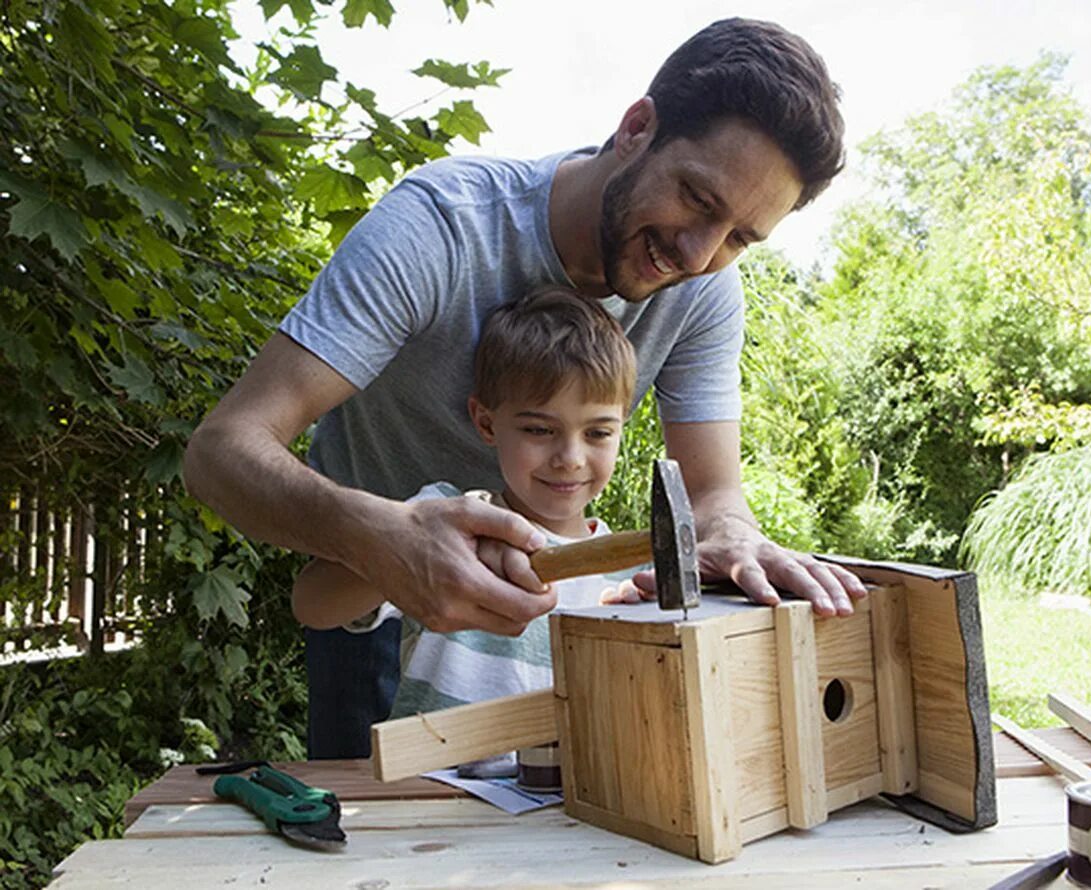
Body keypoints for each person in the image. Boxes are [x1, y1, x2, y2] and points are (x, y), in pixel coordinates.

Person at [182, 17, 868, 759]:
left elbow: (711, 495)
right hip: (372, 593)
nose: (698, 255)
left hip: (549, 623)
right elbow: (222, 451)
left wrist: (731, 532)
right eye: (698, 200)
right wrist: (381, 540)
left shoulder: (703, 292)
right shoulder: (442, 227)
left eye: (739, 238)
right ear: (637, 128)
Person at [292, 287, 645, 772]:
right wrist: (399, 556)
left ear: (623, 426)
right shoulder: (442, 524)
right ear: (486, 422)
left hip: (557, 807)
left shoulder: (628, 582)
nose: (570, 458)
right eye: (539, 430)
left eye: (598, 432)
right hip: (427, 793)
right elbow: (313, 605)